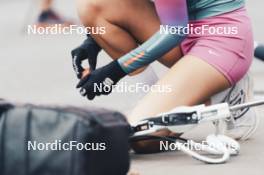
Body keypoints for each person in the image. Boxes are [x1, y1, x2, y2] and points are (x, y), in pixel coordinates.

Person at [71, 0, 258, 152]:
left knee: (143, 140)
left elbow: (174, 31)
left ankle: (223, 93)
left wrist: (114, 71)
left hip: (220, 40)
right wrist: (93, 40)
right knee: (92, 5)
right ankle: (153, 100)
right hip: (179, 26)